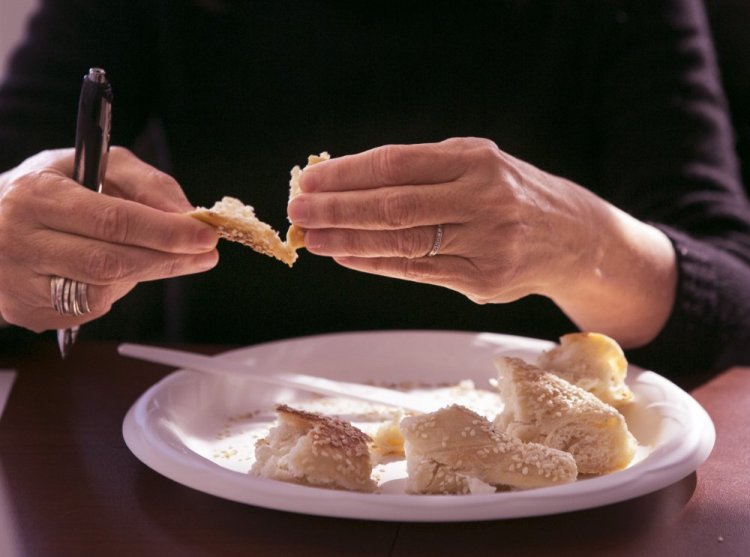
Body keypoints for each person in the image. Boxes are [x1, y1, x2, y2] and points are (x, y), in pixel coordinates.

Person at [0, 0, 749, 376]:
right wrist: (19, 240)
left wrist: (586, 246)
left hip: (539, 498)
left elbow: (733, 298)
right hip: (203, 459)